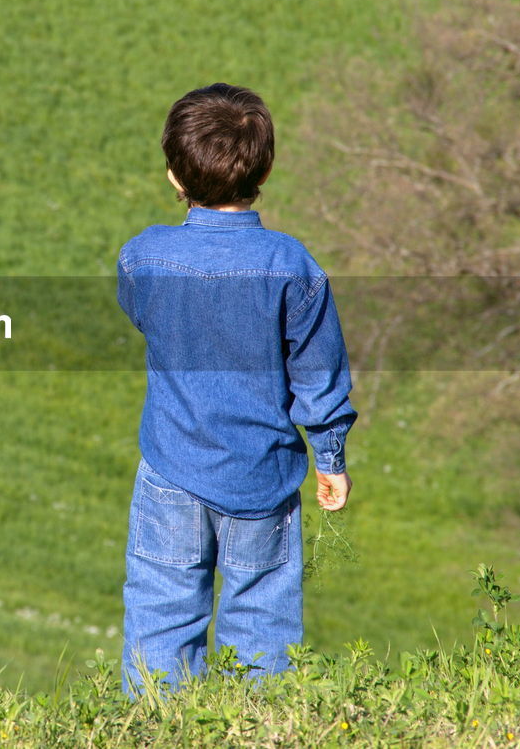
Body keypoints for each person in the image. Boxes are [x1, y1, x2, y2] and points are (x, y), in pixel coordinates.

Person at [116, 83, 356, 695]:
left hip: (170, 468)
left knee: (161, 618)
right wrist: (329, 458)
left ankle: (151, 734)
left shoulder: (143, 257)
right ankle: (259, 731)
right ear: (266, 168)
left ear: (174, 174)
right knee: (261, 626)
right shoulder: (290, 265)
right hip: (262, 476)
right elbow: (318, 373)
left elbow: (140, 313)